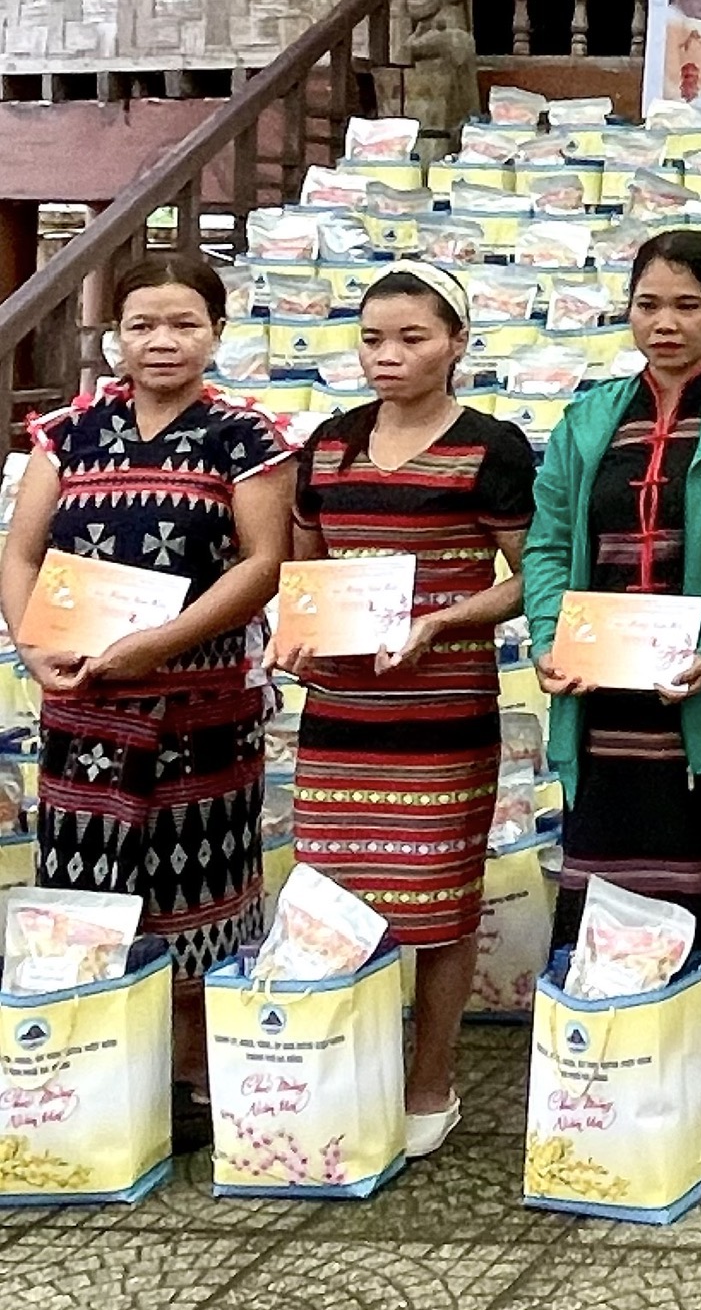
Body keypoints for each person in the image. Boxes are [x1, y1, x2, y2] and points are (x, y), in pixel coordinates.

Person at [520, 228, 701, 1153]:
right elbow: (545, 541)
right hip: (603, 705)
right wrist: (545, 641)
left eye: (689, 305)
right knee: (607, 899)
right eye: (650, 304)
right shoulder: (589, 417)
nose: (667, 323)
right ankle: (605, 1094)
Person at [0, 254, 294, 1138]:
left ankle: (197, 1071)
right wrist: (32, 641)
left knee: (198, 880)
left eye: (183, 325)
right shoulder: (70, 432)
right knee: (83, 877)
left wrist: (155, 647)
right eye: (142, 325)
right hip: (82, 703)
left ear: (216, 332)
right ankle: (91, 1067)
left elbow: (264, 563)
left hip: (201, 710)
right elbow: (19, 554)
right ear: (113, 336)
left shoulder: (248, 437)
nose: (162, 342)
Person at [272, 264, 534, 1160]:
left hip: (442, 706)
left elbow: (533, 576)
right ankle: (353, 1063)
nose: (388, 356)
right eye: (373, 339)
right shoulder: (329, 445)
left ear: (457, 342)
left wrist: (441, 621)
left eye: (413, 338)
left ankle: (432, 1074)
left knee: (437, 893)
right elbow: (305, 566)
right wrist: (298, 633)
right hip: (342, 711)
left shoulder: (490, 448)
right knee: (339, 895)